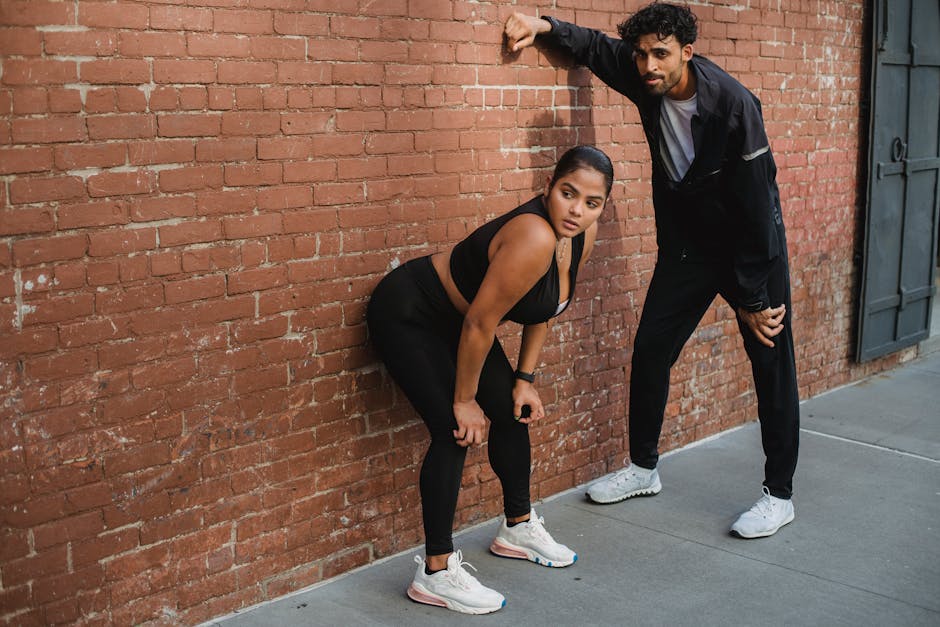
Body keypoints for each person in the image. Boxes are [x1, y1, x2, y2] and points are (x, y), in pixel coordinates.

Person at [504, 3, 800, 539]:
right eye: (641, 55)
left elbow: (758, 206)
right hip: (689, 250)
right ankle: (643, 468)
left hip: (749, 250)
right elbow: (595, 48)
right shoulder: (647, 78)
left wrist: (754, 298)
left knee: (771, 363)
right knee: (651, 349)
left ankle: (779, 495)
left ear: (687, 52)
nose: (647, 65)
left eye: (660, 54)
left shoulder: (733, 104)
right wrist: (541, 25)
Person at [367, 146, 615, 614]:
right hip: (412, 313)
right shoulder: (534, 236)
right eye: (567, 194)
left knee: (509, 408)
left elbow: (546, 306)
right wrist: (463, 401)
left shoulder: (581, 233)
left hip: (461, 322)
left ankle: (516, 528)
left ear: (602, 206)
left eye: (591, 202)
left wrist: (524, 378)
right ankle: (435, 572)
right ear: (548, 186)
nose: (577, 210)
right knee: (454, 430)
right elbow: (480, 324)